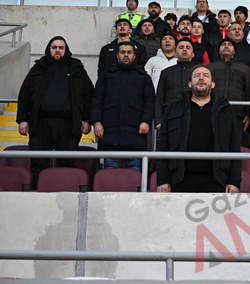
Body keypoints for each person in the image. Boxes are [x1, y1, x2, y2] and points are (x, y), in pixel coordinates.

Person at [17, 36, 94, 185]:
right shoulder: (38, 68)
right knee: (38, 163)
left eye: (61, 47)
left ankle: (64, 193)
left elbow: (88, 95)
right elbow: (24, 95)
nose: (57, 50)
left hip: (69, 124)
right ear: (49, 49)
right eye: (54, 47)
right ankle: (36, 193)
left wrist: (87, 119)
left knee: (67, 163)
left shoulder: (77, 68)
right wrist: (23, 120)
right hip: (40, 124)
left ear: (66, 50)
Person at [156, 65, 242, 193]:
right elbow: (163, 147)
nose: (201, 78)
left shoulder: (225, 110)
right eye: (196, 76)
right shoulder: (173, 108)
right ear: (190, 84)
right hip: (180, 179)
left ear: (213, 84)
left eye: (206, 76)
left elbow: (234, 147)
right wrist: (163, 180)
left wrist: (234, 181)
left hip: (217, 180)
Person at [91, 42, 154, 170]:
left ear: (134, 56)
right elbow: (97, 100)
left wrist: (146, 121)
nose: (126, 55)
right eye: (122, 52)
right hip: (110, 136)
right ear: (117, 55)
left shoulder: (144, 77)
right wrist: (97, 122)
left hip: (136, 136)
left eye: (129, 52)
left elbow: (150, 101)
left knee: (134, 177)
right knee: (110, 177)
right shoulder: (106, 75)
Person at [208, 38, 250, 127]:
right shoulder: (210, 67)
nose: (226, 46)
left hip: (238, 112)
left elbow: (248, 91)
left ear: (234, 51)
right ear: (218, 51)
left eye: (230, 45)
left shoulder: (245, 69)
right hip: (213, 110)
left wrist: (248, 113)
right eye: (223, 45)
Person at [155, 38, 197, 129]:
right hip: (171, 116)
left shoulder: (200, 72)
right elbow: (159, 97)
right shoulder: (166, 72)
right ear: (175, 53)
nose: (184, 50)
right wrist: (158, 120)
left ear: (193, 53)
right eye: (181, 47)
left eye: (188, 47)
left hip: (195, 115)